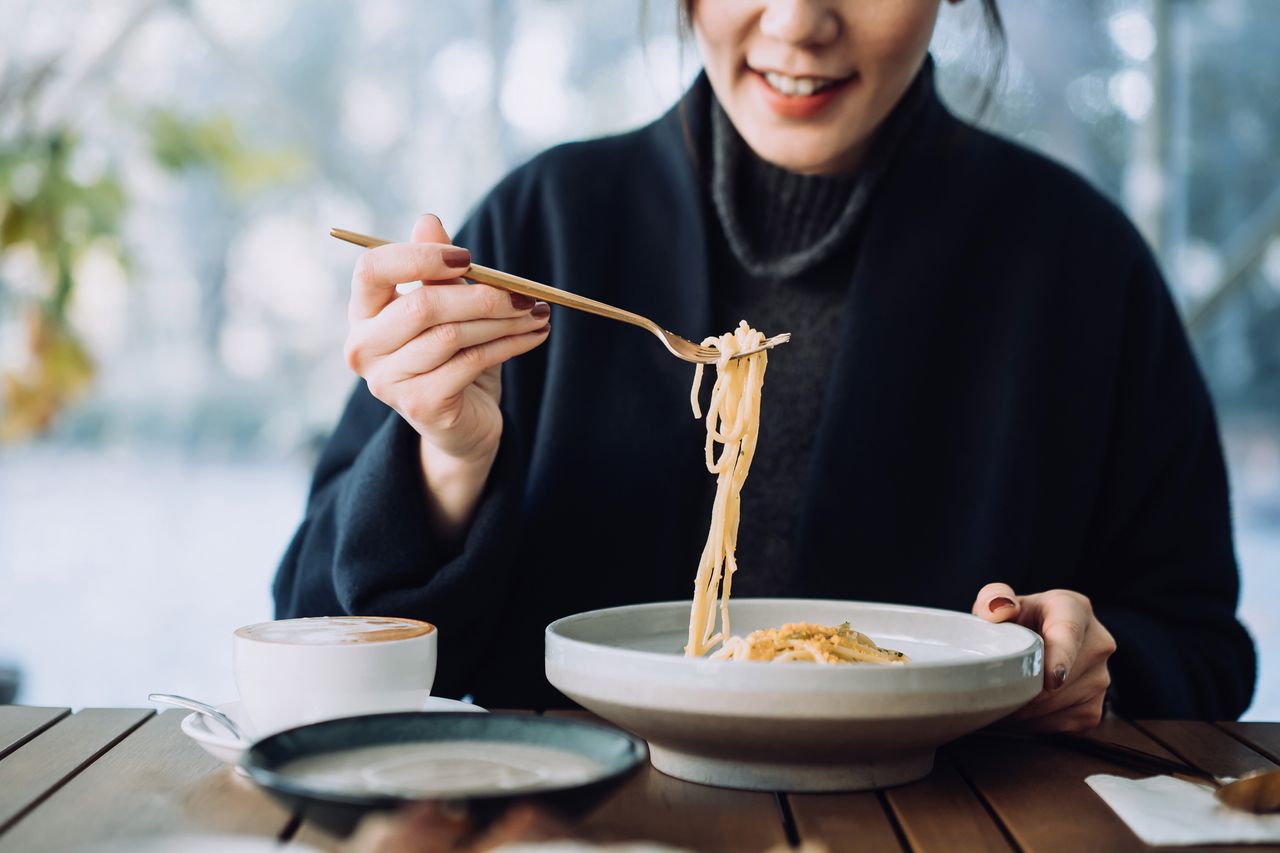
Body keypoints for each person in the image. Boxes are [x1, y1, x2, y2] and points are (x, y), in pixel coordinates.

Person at [273, 0, 1256, 727]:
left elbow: (1202, 645)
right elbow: (311, 627)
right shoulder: (544, 230)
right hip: (571, 825)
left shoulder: (1076, 263)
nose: (795, 23)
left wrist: (1094, 662)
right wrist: (447, 458)